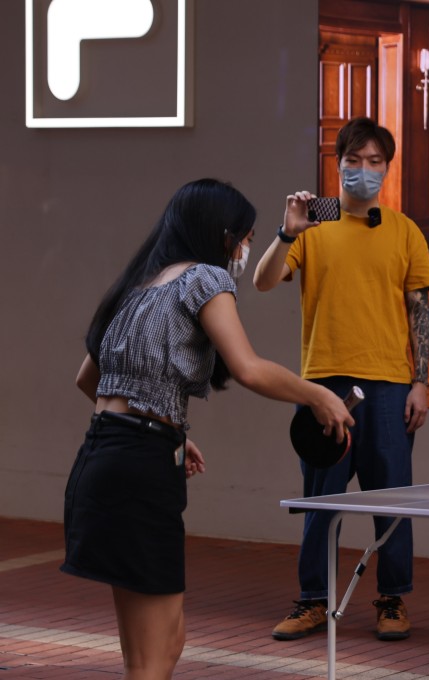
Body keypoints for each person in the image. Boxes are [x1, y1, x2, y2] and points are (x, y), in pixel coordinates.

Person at [63, 178, 353, 679]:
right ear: (222, 235)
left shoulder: (138, 286)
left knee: (150, 649)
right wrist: (318, 394)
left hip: (100, 459)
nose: (244, 249)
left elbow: (88, 379)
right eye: (244, 237)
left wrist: (169, 427)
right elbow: (248, 368)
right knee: (157, 655)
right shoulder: (204, 279)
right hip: (139, 469)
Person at [253, 118, 429, 642]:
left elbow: (418, 308)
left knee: (393, 500)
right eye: (353, 161)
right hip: (321, 386)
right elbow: (263, 282)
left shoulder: (404, 231)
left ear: (387, 168)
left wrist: (420, 382)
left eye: (375, 162)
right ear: (338, 165)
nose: (364, 171)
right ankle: (314, 600)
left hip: (388, 385)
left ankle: (392, 599)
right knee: (320, 498)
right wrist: (287, 230)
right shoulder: (311, 228)